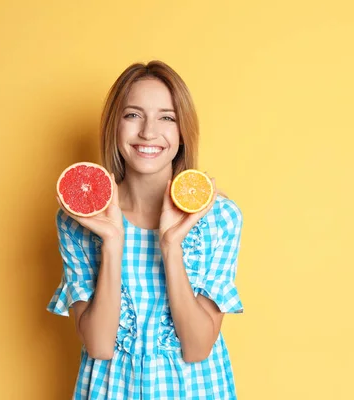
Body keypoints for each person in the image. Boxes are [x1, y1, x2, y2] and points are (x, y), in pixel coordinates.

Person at [47, 60, 244, 399]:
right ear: (114, 125)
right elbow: (99, 345)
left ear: (182, 132)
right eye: (133, 115)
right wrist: (111, 241)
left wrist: (171, 246)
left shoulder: (220, 218)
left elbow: (197, 347)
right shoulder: (77, 222)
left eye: (167, 117)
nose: (148, 132)